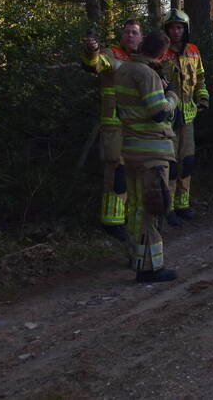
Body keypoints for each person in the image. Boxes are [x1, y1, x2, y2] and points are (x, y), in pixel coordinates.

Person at [115, 29, 180, 282]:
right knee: (153, 208)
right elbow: (158, 112)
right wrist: (172, 96)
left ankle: (136, 257)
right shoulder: (147, 74)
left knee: (135, 208)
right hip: (151, 153)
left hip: (130, 149)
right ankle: (151, 268)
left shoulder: (124, 70)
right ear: (162, 53)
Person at [82, 18, 143, 243]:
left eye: (135, 32)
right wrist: (92, 51)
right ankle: (111, 221)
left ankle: (128, 218)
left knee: (134, 176)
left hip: (137, 129)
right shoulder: (111, 54)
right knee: (116, 175)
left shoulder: (144, 61)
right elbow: (95, 64)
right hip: (115, 128)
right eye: (127, 32)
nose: (130, 36)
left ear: (141, 38)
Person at [159, 9, 210, 226]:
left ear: (185, 29)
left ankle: (183, 204)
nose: (175, 31)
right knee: (169, 164)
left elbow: (200, 79)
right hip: (167, 118)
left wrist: (203, 98)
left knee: (187, 162)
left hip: (188, 117)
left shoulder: (193, 51)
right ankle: (168, 207)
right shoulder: (160, 53)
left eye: (179, 27)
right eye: (171, 27)